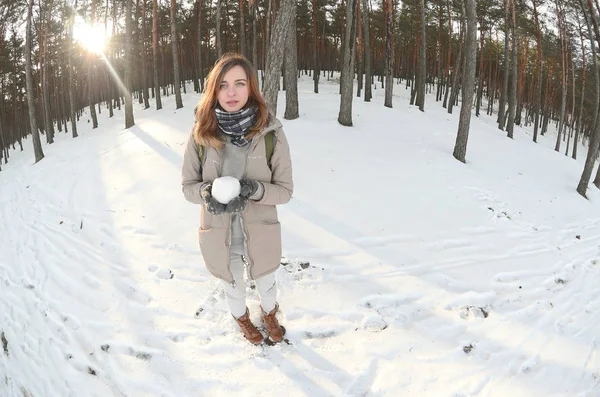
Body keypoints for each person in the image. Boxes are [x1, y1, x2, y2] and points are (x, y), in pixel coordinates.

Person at [181, 53, 293, 345]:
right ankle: (242, 318)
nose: (231, 92)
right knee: (234, 286)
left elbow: (285, 190)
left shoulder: (271, 133)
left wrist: (254, 189)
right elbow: (188, 187)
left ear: (251, 88)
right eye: (223, 85)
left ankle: (269, 314)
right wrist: (206, 193)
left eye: (239, 83)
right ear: (214, 90)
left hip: (261, 229)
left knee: (267, 281)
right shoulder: (200, 134)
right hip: (219, 232)